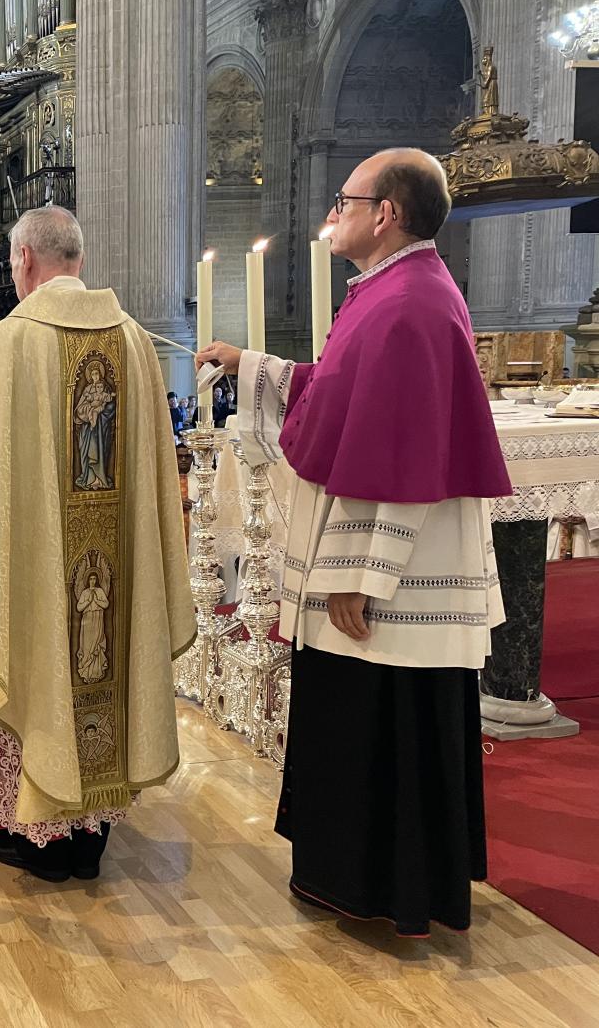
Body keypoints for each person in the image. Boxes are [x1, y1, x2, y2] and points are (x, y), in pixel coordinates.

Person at [196, 148, 511, 937]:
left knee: (383, 724)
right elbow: (342, 397)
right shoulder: (393, 292)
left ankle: (382, 887)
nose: (334, 212)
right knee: (373, 721)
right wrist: (254, 366)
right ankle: (368, 882)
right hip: (396, 570)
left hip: (395, 584)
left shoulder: (407, 306)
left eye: (347, 199)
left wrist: (354, 577)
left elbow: (393, 461)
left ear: (387, 214)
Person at [0, 206, 193, 882]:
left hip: (41, 583)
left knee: (35, 657)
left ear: (23, 261)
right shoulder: (134, 343)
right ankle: (91, 831)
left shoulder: (0, 348)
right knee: (104, 661)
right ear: (76, 257)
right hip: (114, 570)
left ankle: (34, 830)